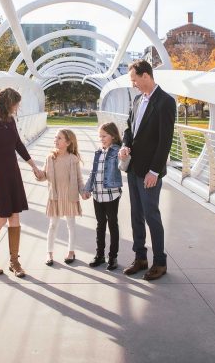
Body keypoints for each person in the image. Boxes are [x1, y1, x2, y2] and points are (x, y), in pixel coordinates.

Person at [119, 60, 176, 281]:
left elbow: (165, 141)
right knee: (136, 215)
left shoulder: (165, 102)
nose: (133, 84)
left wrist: (155, 171)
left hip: (149, 172)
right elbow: (128, 128)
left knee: (152, 215)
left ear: (146, 76)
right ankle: (140, 257)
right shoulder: (135, 100)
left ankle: (159, 262)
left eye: (134, 79)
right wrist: (125, 145)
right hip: (133, 168)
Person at [0, 88, 43, 278]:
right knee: (0, 218)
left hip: (12, 175)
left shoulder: (9, 121)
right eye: (16, 103)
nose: (17, 107)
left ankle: (14, 261)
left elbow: (18, 145)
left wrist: (33, 166)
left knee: (14, 217)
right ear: (7, 103)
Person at [37, 129, 86, 266]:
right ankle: (49, 253)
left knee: (71, 225)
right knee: (52, 225)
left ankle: (71, 251)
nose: (56, 140)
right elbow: (44, 176)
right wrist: (38, 174)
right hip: (55, 197)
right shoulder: (50, 158)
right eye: (55, 138)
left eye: (59, 138)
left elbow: (79, 179)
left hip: (70, 196)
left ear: (68, 142)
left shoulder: (73, 159)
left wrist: (83, 192)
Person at [83, 122, 123, 271]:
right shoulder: (98, 152)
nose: (101, 139)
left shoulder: (117, 151)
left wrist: (124, 155)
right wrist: (87, 189)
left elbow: (123, 164)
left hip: (111, 194)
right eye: (100, 136)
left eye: (104, 136)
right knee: (100, 225)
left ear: (113, 136)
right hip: (97, 195)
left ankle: (113, 256)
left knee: (112, 224)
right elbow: (93, 174)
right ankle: (99, 255)